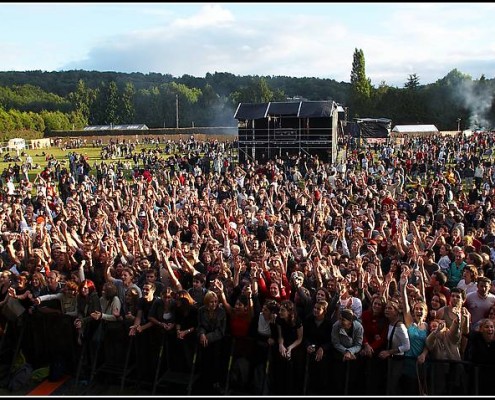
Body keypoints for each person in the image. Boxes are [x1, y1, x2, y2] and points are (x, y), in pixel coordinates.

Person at [196, 290, 227, 394]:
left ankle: (216, 384)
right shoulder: (201, 310)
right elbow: (201, 325)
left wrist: (207, 337)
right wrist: (202, 334)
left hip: (217, 342)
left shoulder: (221, 312)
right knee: (205, 362)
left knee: (216, 363)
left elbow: (221, 331)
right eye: (211, 302)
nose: (214, 304)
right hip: (204, 341)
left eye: (215, 301)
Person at [378, 299, 410, 395]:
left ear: (396, 312)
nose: (386, 310)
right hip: (391, 361)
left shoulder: (400, 326)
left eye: (390, 308)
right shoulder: (389, 323)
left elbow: (407, 346)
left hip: (398, 360)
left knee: (393, 385)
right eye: (386, 308)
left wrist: (389, 352)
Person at [330, 308, 364, 395]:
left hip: (353, 354)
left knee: (352, 378)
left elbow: (358, 344)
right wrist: (345, 351)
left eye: (343, 320)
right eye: (340, 319)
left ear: (350, 321)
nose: (340, 321)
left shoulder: (358, 327)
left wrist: (350, 352)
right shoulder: (336, 326)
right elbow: (336, 343)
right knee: (338, 378)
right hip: (339, 353)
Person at [273, 299, 304, 395]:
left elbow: (299, 339)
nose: (280, 312)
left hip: (295, 345)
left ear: (289, 311)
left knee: (293, 366)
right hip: (285, 342)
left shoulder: (297, 321)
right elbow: (280, 335)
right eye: (280, 310)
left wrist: (290, 348)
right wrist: (281, 345)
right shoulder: (279, 319)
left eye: (282, 310)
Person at [302, 300, 333, 394]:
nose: (315, 310)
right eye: (314, 308)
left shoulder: (329, 323)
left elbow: (331, 341)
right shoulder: (308, 319)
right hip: (309, 351)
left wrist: (322, 348)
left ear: (324, 311)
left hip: (323, 355)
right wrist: (307, 345)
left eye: (318, 309)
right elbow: (304, 336)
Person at [464, 318, 495, 395]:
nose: (490, 329)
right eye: (487, 327)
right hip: (477, 379)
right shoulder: (475, 339)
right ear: (481, 329)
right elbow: (465, 332)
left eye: (491, 327)